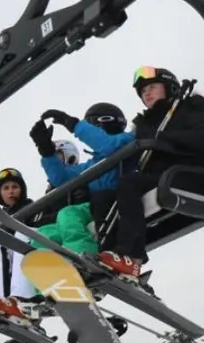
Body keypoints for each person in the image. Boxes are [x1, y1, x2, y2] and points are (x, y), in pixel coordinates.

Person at [90, 66, 204, 281]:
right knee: (102, 197)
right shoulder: (147, 123)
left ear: (169, 88)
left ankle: (131, 257)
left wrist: (163, 138)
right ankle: (109, 257)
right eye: (143, 91)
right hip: (161, 178)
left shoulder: (186, 110)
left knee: (129, 183)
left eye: (151, 87)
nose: (146, 93)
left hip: (186, 175)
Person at [31, 103, 136, 256]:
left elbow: (108, 145)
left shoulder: (126, 140)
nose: (90, 130)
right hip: (95, 206)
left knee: (68, 214)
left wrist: (72, 124)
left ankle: (85, 255)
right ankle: (48, 267)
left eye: (90, 126)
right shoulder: (93, 164)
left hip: (118, 199)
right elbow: (61, 179)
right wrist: (47, 152)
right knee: (43, 234)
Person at [0, 168, 42, 321]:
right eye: (6, 188)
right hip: (10, 250)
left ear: (22, 190)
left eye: (15, 187)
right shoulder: (0, 217)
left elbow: (41, 222)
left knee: (15, 238)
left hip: (31, 242)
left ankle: (22, 298)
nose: (11, 191)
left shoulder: (32, 207)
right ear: (0, 194)